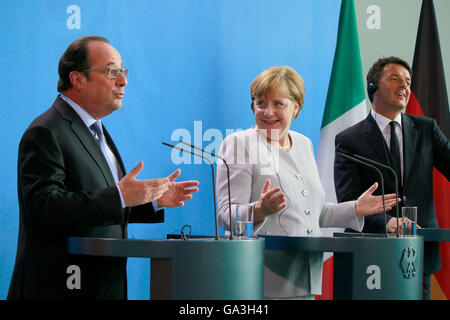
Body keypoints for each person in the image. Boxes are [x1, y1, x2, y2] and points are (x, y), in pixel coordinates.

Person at [8, 35, 199, 299]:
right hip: (61, 287)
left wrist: (149, 201)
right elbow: (44, 208)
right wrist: (121, 196)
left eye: (123, 70)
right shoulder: (46, 131)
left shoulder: (96, 129)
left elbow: (98, 203)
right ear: (77, 79)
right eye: (112, 71)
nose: (123, 81)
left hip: (103, 285)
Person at [216, 66, 399, 299]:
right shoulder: (239, 144)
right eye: (260, 103)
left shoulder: (303, 144)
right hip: (262, 280)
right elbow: (224, 214)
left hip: (306, 275)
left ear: (296, 107)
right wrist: (259, 210)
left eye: (278, 103)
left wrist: (354, 208)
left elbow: (313, 213)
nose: (267, 111)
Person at [334, 56, 450, 299]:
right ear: (373, 88)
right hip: (371, 251)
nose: (404, 86)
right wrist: (387, 222)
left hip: (418, 252)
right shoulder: (349, 140)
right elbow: (349, 200)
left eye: (408, 82)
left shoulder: (427, 130)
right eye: (395, 79)